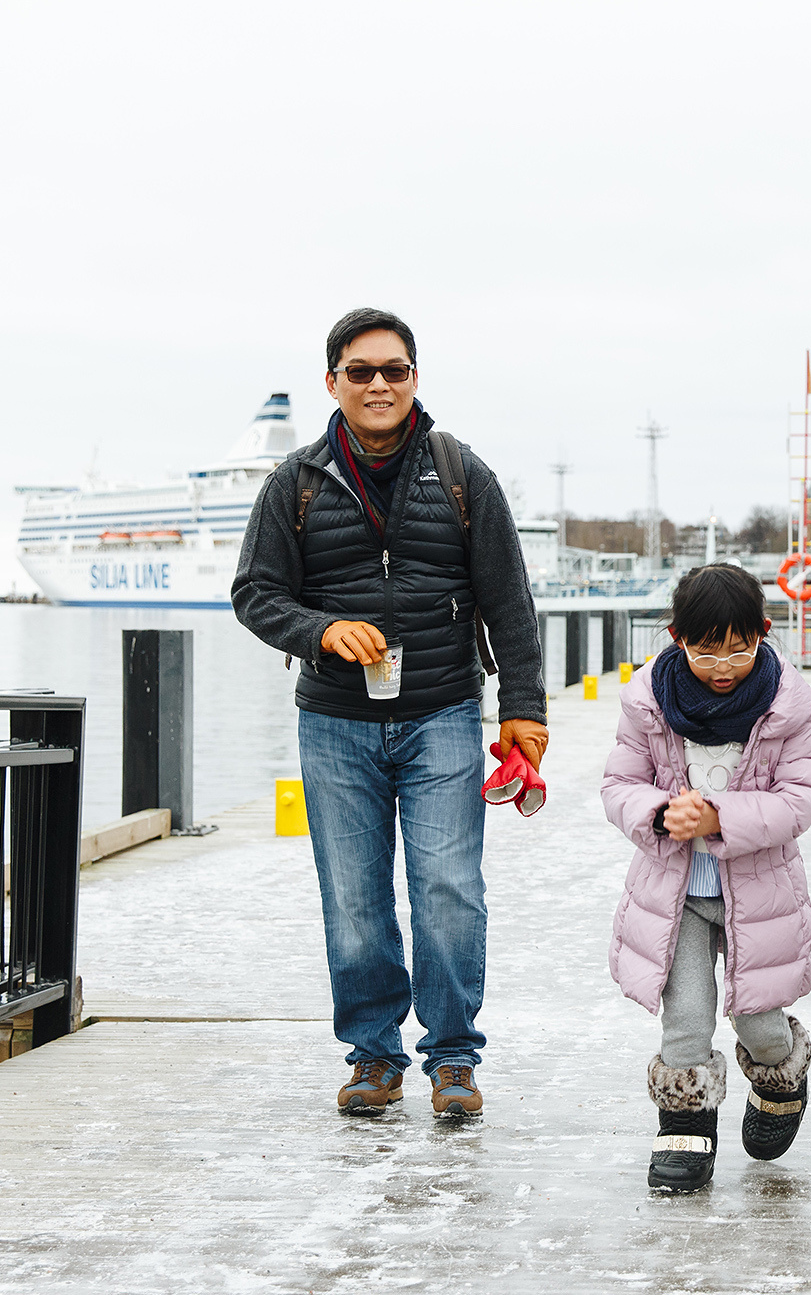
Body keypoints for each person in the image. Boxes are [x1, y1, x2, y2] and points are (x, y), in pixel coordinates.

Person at [232, 307, 548, 1119]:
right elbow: (254, 594)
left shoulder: (462, 473)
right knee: (355, 899)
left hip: (443, 711)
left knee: (448, 889)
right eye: (362, 370)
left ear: (415, 378)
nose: (380, 384)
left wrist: (524, 709)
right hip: (334, 721)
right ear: (332, 381)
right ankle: (373, 1055)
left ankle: (453, 1058)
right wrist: (322, 629)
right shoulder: (293, 483)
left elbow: (510, 603)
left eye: (395, 370)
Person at [600, 564, 811, 1192]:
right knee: (687, 1021)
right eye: (706, 650)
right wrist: (659, 813)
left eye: (739, 647)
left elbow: (800, 798)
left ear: (764, 633)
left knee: (759, 1020)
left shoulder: (786, 708)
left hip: (758, 893)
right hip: (676, 897)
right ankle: (684, 1130)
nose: (723, 665)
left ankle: (782, 1083)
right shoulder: (647, 704)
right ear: (676, 639)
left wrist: (721, 815)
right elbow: (620, 785)